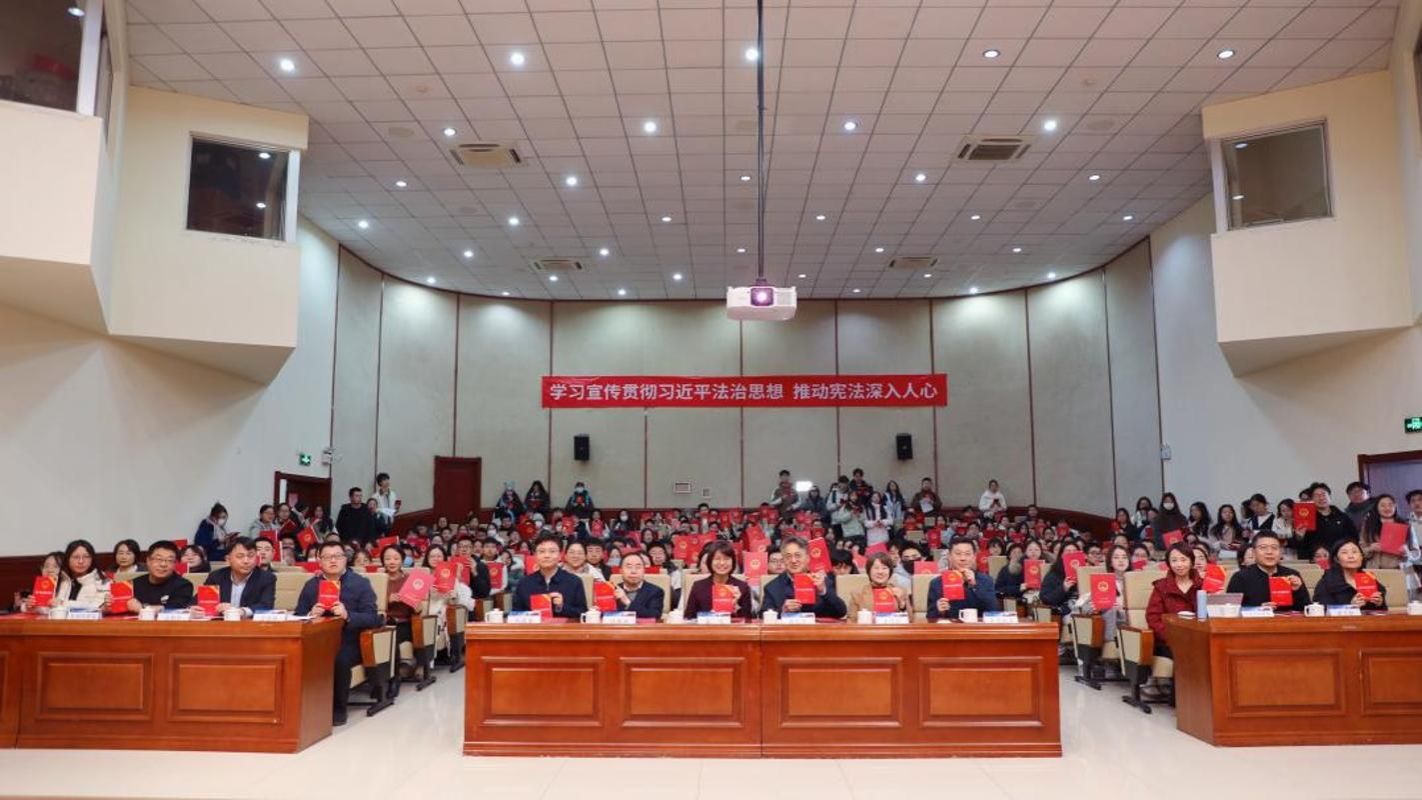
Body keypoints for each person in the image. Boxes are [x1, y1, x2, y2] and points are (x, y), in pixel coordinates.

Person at [294, 541, 380, 726]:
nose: (333, 561)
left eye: (337, 556)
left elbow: (373, 618)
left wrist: (348, 615)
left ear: (345, 559)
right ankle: (300, 707)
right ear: (319, 561)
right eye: (327, 557)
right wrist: (310, 614)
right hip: (317, 639)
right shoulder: (311, 585)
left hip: (350, 640)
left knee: (338, 658)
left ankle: (338, 709)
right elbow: (297, 616)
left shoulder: (360, 584)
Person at [762, 536, 847, 618]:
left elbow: (841, 612)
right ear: (783, 560)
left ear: (808, 558)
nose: (793, 560)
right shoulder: (772, 587)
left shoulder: (822, 581)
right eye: (788, 556)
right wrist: (782, 611)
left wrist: (823, 591)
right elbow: (763, 616)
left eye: (798, 555)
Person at [511, 532, 588, 620]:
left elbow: (583, 614)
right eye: (541, 551)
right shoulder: (524, 583)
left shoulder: (574, 581)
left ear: (560, 555)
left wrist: (561, 607)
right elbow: (516, 614)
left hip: (564, 628)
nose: (547, 555)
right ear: (535, 555)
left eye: (552, 551)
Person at [1145, 543, 1200, 662]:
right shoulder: (1161, 587)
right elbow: (1153, 618)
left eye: (1183, 560)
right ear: (1169, 563)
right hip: (1169, 642)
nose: (1179, 564)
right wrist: (1173, 637)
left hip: (1199, 638)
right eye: (1174, 560)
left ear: (1191, 561)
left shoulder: (1203, 585)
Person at [1225, 532, 1309, 608]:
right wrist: (1257, 610)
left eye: (1274, 548)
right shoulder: (1240, 577)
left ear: (1280, 552)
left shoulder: (1292, 574)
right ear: (1254, 552)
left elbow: (1307, 609)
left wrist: (1298, 591)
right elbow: (1231, 610)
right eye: (1263, 547)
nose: (1269, 552)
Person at [927, 537, 1000, 620]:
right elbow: (930, 618)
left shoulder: (986, 581)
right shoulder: (936, 583)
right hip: (950, 627)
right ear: (949, 556)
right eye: (958, 554)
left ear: (974, 557)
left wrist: (975, 586)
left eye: (967, 554)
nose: (963, 558)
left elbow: (993, 611)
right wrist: (939, 611)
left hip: (976, 627)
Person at [203, 537, 276, 617]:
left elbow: (266, 605)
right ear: (228, 559)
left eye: (250, 556)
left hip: (249, 623)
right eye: (240, 556)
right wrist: (196, 609)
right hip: (221, 622)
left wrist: (242, 611)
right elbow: (200, 601)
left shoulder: (266, 578)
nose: (246, 561)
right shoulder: (216, 576)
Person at [684, 541, 753, 619]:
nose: (722, 563)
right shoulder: (698, 587)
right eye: (717, 559)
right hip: (706, 626)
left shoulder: (742, 587)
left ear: (733, 562)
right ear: (710, 562)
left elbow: (748, 620)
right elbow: (688, 618)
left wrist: (736, 605)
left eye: (726, 559)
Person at [1312, 540, 1387, 608]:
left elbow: (1383, 611)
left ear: (1361, 557)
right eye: (1344, 552)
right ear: (1337, 559)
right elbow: (1322, 610)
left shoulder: (1368, 578)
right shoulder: (1327, 582)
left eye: (1354, 552)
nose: (1351, 556)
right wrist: (1349, 606)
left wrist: (1380, 604)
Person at [126, 541, 196, 610]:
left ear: (175, 564)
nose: (163, 564)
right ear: (148, 561)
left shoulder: (183, 585)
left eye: (169, 560)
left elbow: (174, 609)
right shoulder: (133, 584)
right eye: (158, 559)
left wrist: (143, 609)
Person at [1359, 493, 1416, 571]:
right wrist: (1371, 548)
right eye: (1383, 505)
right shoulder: (1368, 525)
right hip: (1374, 568)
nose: (1387, 508)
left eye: (1390, 505)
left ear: (1395, 507)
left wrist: (1407, 552)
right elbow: (1360, 549)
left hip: (1400, 569)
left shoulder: (1406, 525)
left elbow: (1416, 552)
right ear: (1376, 507)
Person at [846, 553, 910, 621]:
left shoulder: (901, 591)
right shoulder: (858, 593)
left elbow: (910, 620)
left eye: (884, 568)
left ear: (890, 571)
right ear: (869, 571)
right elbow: (851, 621)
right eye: (876, 568)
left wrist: (902, 603)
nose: (880, 572)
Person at [1302, 482, 1357, 559]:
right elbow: (1303, 544)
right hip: (1317, 559)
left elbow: (1353, 537)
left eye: (1324, 494)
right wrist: (1299, 537)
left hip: (1339, 558)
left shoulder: (1342, 517)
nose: (1321, 498)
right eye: (1317, 495)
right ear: (1312, 499)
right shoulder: (1306, 518)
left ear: (1330, 497)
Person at [612, 551, 664, 619]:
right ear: (621, 571)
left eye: (638, 567)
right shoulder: (612, 590)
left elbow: (655, 615)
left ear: (644, 570)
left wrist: (627, 602)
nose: (633, 571)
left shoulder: (655, 591)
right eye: (629, 567)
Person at [54, 539, 104, 608]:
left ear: (92, 559)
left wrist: (63, 603)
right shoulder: (60, 579)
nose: (81, 561)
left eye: (86, 557)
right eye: (76, 557)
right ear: (68, 559)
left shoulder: (103, 581)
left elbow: (98, 606)